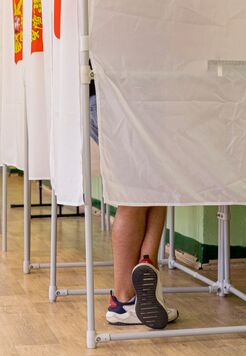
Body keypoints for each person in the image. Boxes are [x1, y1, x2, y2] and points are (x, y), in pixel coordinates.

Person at [89, 72, 178, 329]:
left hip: (102, 98)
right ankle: (124, 300)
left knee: (158, 184)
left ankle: (146, 279)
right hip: (129, 98)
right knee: (134, 195)